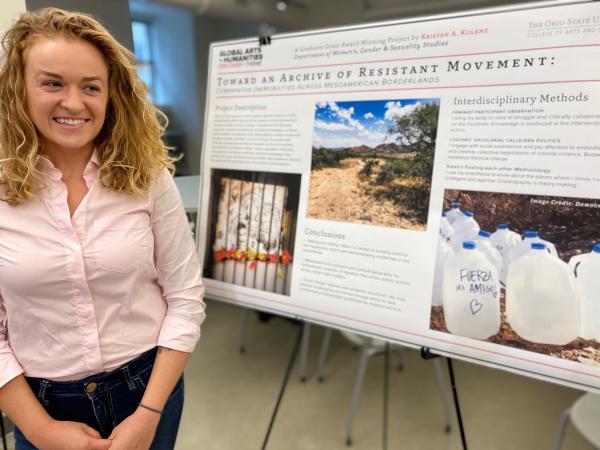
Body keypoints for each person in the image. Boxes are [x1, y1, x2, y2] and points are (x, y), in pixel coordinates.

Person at [0, 7, 205, 450]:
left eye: (91, 87)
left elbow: (185, 299)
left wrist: (148, 415)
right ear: (19, 89)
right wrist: (40, 430)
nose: (74, 103)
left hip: (147, 388)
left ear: (112, 96)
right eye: (52, 82)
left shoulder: (148, 178)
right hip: (42, 404)